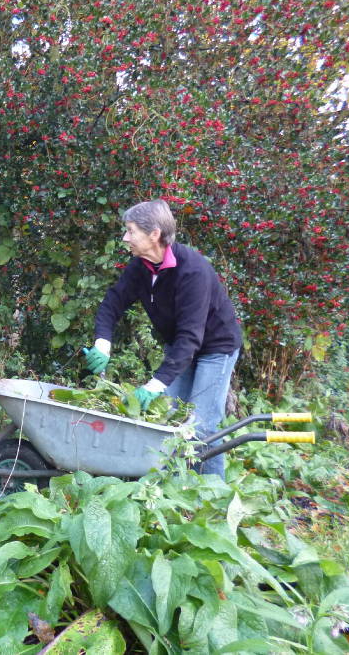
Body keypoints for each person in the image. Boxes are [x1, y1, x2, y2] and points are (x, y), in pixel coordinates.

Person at [83, 199, 242, 478]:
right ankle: (170, 487)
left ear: (154, 234)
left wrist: (155, 384)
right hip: (181, 346)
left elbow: (191, 337)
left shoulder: (192, 271)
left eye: (131, 231)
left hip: (216, 347)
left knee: (200, 426)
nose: (125, 238)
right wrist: (102, 343)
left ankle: (214, 495)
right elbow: (112, 303)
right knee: (167, 421)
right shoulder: (140, 267)